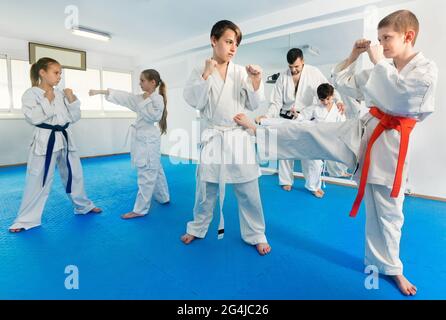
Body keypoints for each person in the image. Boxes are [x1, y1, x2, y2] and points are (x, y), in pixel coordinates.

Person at [234, 10, 437, 295]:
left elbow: (401, 99)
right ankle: (262, 130)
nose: (382, 44)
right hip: (364, 131)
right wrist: (354, 56)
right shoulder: (384, 66)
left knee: (389, 214)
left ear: (408, 36)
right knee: (310, 130)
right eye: (379, 39)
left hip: (391, 145)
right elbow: (341, 81)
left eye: (387, 38)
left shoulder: (425, 70)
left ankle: (391, 268)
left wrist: (379, 62)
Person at [180, 20, 271, 255]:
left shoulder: (241, 71)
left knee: (248, 189)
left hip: (237, 136)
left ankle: (256, 233)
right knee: (206, 188)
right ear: (214, 40)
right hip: (213, 136)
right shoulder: (199, 70)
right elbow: (194, 101)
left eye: (236, 44)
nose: (233, 48)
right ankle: (198, 227)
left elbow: (253, 103)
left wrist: (256, 80)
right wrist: (205, 75)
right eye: (229, 42)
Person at [9, 57, 102, 232]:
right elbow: (33, 118)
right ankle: (26, 220)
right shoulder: (31, 94)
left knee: (74, 175)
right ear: (42, 73)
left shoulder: (60, 93)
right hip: (45, 139)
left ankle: (83, 206)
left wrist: (72, 99)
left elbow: (74, 117)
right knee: (38, 179)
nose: (59, 76)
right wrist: (47, 100)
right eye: (56, 72)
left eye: (60, 73)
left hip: (66, 137)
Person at [255, 48, 345, 192]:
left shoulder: (313, 72)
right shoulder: (283, 77)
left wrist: (339, 101)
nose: (293, 70)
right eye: (290, 67)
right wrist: (267, 116)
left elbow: (329, 88)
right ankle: (286, 180)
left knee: (310, 154)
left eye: (296, 66)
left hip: (305, 119)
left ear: (303, 61)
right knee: (285, 152)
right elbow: (276, 103)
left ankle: (313, 185)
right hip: (286, 117)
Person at [89, 69, 170, 219]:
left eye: (142, 81)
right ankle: (163, 196)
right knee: (156, 169)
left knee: (146, 173)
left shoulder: (156, 99)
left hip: (148, 141)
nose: (139, 83)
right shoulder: (143, 98)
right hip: (145, 139)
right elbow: (125, 97)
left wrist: (145, 100)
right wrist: (101, 92)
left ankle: (140, 209)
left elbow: (154, 116)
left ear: (152, 82)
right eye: (139, 80)